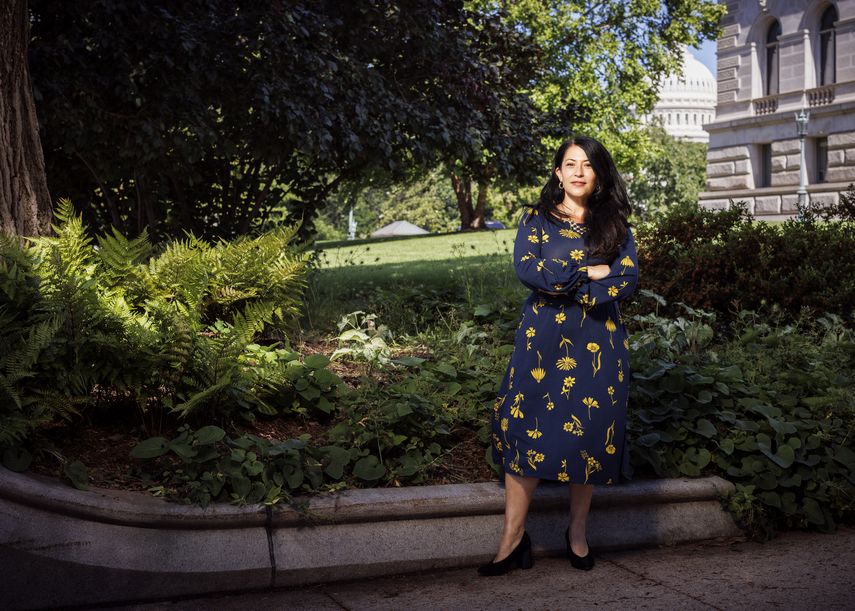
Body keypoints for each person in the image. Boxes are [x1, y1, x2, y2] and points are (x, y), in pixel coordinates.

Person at [478, 135, 639, 576]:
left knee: (587, 433)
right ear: (558, 172)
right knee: (525, 428)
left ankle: (578, 533)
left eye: (587, 164)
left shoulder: (614, 223)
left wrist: (568, 279)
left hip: (599, 343)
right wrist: (588, 270)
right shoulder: (536, 219)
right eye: (570, 164)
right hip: (542, 342)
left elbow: (626, 278)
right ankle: (512, 540)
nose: (579, 171)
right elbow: (528, 270)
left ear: (599, 174)